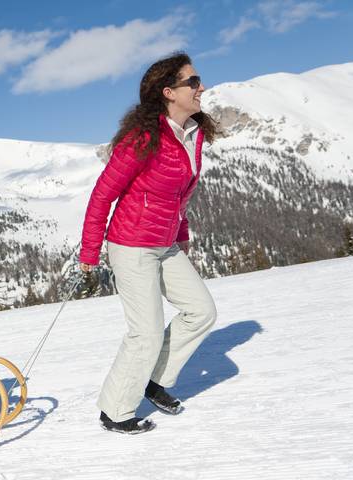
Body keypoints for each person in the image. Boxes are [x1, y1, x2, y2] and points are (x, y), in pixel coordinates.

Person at [79, 52, 218, 434]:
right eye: (193, 82)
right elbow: (103, 194)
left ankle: (155, 380)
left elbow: (179, 194)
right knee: (147, 331)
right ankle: (116, 410)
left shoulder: (193, 134)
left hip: (165, 243)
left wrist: (182, 233)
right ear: (169, 92)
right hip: (132, 245)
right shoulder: (145, 137)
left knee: (201, 311)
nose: (201, 87)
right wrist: (90, 250)